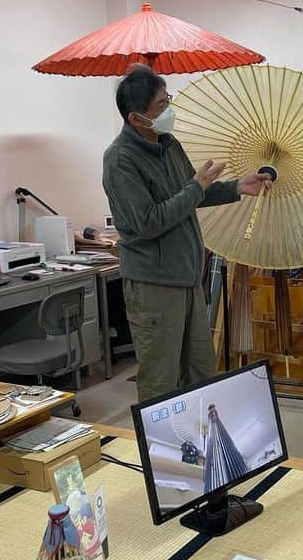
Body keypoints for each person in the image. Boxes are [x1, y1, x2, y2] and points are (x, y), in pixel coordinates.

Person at [103, 65, 271, 402]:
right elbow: (149, 221)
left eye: (168, 100)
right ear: (137, 119)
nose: (169, 111)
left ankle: (202, 442)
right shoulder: (120, 160)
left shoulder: (168, 143)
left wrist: (237, 186)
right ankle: (161, 450)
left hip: (187, 278)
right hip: (154, 284)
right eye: (161, 107)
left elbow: (193, 192)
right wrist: (195, 187)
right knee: (161, 378)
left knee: (200, 368)